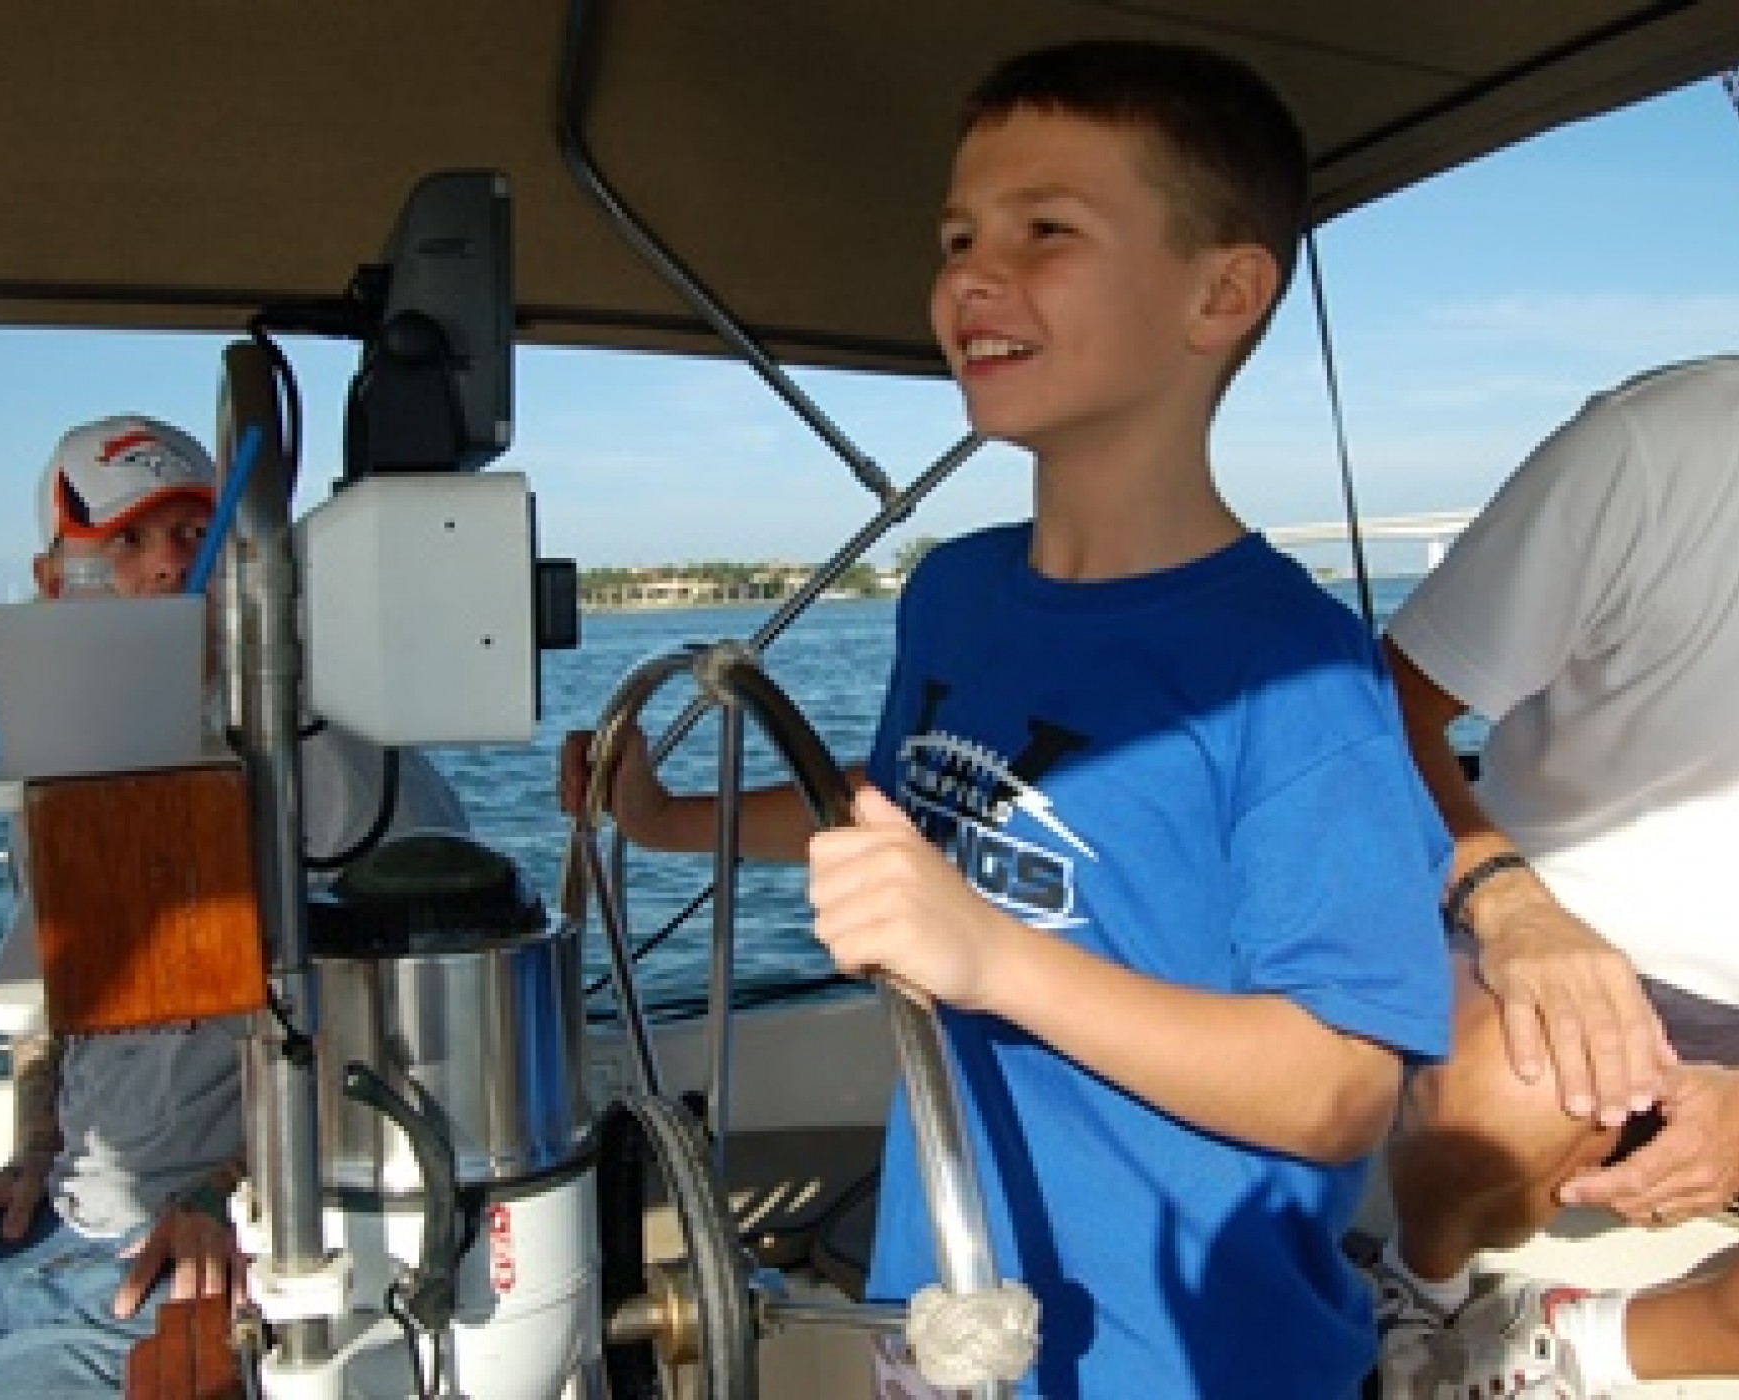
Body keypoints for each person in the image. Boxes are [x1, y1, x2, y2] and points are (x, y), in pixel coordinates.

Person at [564, 40, 1451, 1396]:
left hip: (1185, 1357)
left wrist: (990, 956)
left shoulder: (1296, 671)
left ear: (1221, 294)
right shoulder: (955, 595)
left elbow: (1340, 1087)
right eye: (960, 235)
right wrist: (664, 818)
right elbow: (910, 811)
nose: (972, 275)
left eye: (1047, 232)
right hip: (949, 1303)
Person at [1367, 46, 1739, 1400]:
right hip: (1550, 976)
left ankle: (1567, 1344)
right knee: (1486, 1119)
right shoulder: (1660, 446)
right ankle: (1423, 1278)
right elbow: (1375, 708)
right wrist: (1510, 906)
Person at [0, 414, 469, 1396]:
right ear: (54, 584)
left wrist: (225, 1191)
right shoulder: (56, 770)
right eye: (127, 541)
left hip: (203, 1247)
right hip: (44, 1227)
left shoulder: (340, 769)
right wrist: (35, 1148)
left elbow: (422, 1030)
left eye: (192, 534)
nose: (166, 565)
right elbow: (53, 1001)